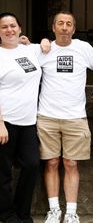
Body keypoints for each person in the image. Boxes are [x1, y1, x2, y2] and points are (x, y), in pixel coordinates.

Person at [36, 11, 93, 223]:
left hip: (75, 117)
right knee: (52, 163)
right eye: (60, 23)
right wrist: (31, 41)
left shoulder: (83, 48)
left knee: (71, 163)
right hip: (46, 116)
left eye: (69, 24)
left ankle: (71, 212)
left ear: (73, 29)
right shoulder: (42, 49)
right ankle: (54, 210)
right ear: (53, 27)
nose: (64, 27)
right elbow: (17, 53)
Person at [0, 12, 42, 223]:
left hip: (28, 122)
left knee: (32, 164)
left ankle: (22, 213)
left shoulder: (29, 50)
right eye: (4, 27)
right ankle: (7, 215)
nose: (9, 30)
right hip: (5, 122)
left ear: (20, 28)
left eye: (13, 25)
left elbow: (46, 46)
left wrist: (39, 42)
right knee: (3, 171)